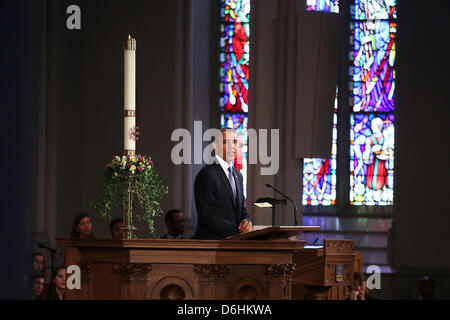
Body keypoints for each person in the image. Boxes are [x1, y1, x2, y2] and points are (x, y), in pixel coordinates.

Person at [193, 128, 254, 239]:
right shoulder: (207, 174)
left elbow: (241, 209)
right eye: (226, 142)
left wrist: (246, 222)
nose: (232, 146)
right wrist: (238, 230)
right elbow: (206, 215)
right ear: (215, 146)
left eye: (235, 142)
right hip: (212, 243)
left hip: (234, 243)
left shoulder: (238, 175)